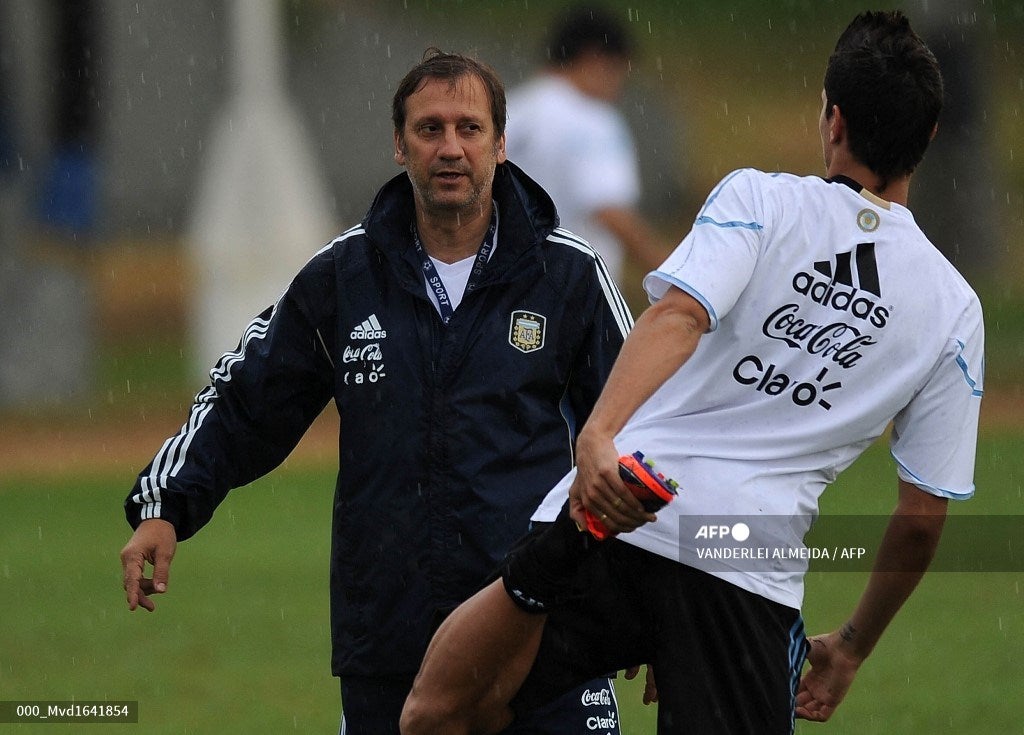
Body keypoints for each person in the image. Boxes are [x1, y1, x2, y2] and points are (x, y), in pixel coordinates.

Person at [401, 11, 984, 735]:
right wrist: (852, 646)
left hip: (618, 503)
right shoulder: (954, 308)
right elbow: (922, 516)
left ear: (832, 121)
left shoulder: (759, 199)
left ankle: (546, 567)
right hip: (742, 555)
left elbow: (678, 316)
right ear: (928, 137)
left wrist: (599, 436)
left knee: (439, 713)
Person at [119, 49, 634, 734]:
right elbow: (246, 397)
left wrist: (661, 606)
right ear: (399, 145)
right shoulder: (343, 275)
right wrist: (164, 505)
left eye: (469, 128)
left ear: (501, 144)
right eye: (429, 129)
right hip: (392, 632)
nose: (450, 148)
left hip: (544, 624)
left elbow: (649, 430)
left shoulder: (568, 274)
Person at [505, 4, 667, 286]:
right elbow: (609, 209)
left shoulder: (511, 108)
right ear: (595, 58)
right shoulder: (592, 118)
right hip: (571, 290)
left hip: (506, 283)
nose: (619, 86)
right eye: (618, 71)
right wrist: (674, 271)